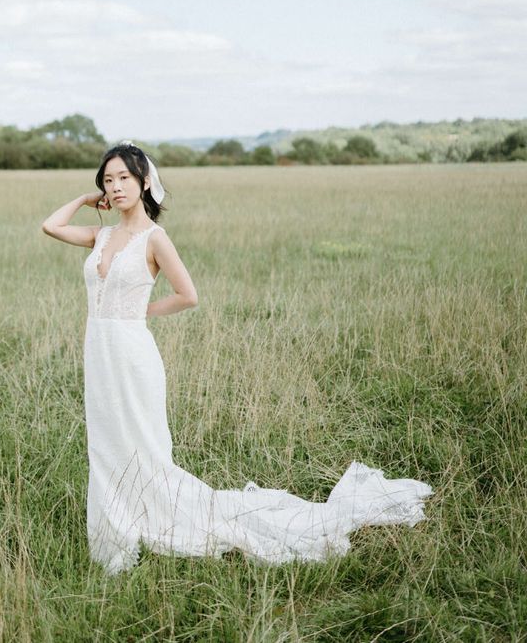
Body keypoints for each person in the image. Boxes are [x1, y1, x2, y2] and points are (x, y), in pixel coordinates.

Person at [41, 141, 433, 575]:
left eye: (124, 179)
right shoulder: (102, 235)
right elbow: (50, 226)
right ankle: (116, 530)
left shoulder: (155, 238)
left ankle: (149, 521)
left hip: (132, 356)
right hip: (99, 358)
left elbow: (188, 296)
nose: (115, 188)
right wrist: (82, 199)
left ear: (144, 182)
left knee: (144, 449)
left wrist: (139, 313)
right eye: (108, 180)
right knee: (106, 445)